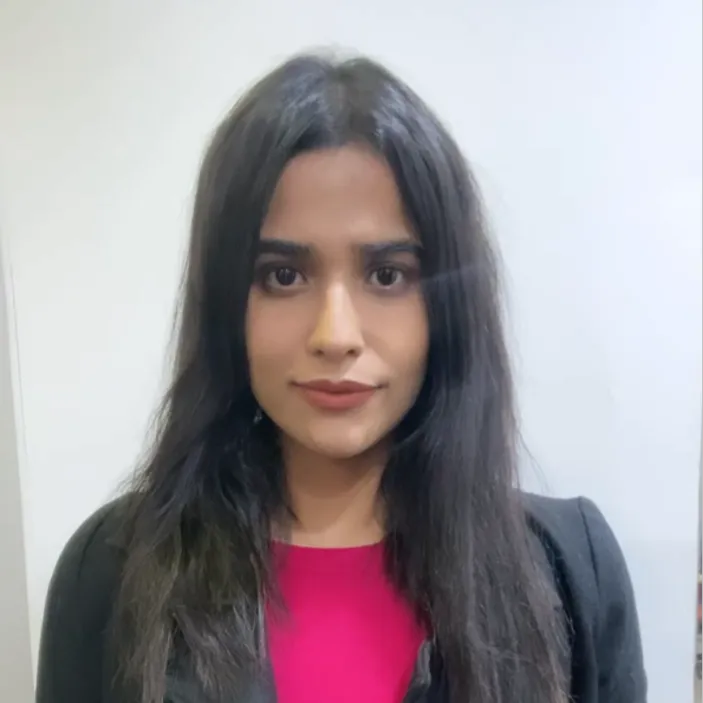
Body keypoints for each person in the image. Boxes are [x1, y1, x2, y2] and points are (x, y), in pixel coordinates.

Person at [35, 53, 647, 703]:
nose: (335, 334)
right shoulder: (110, 575)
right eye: (283, 276)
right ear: (226, 304)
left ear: (446, 306)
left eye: (386, 275)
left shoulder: (568, 573)